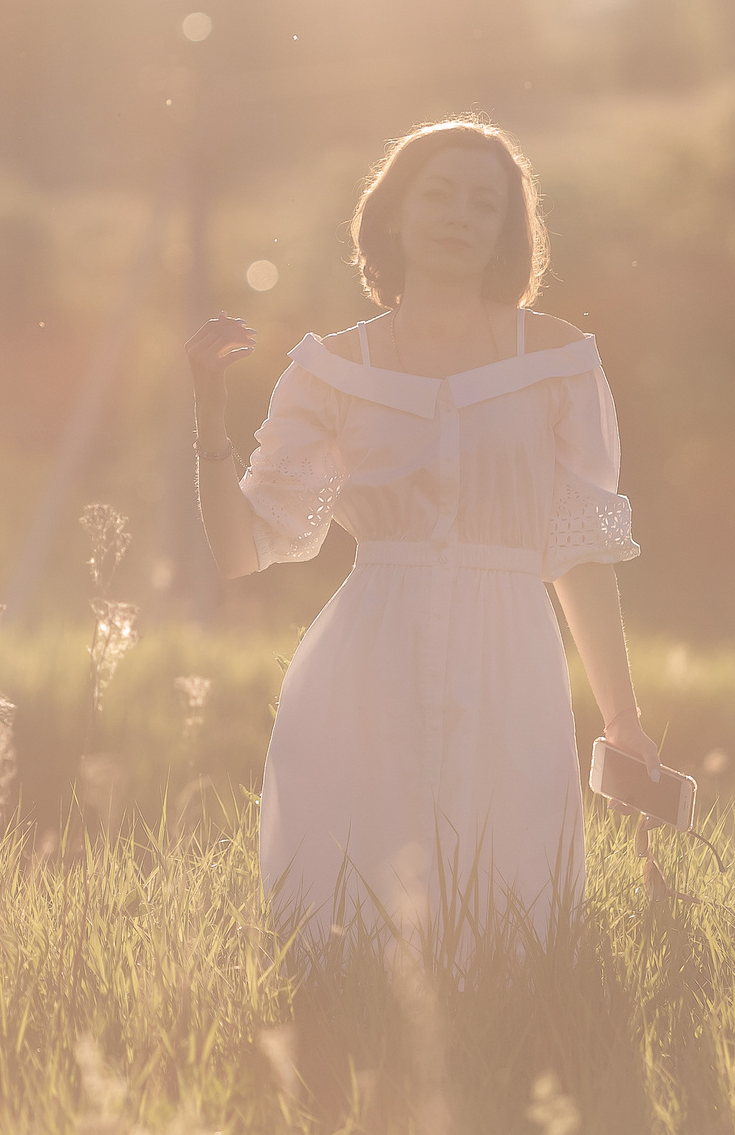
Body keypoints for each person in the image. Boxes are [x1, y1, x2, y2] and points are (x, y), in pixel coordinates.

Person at [184, 118, 658, 962]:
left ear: (508, 230)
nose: (459, 216)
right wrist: (210, 411)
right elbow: (242, 548)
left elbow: (580, 551)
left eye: (485, 203)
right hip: (365, 661)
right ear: (393, 215)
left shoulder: (557, 360)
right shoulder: (330, 367)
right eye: (438, 194)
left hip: (511, 653)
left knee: (511, 938)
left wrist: (622, 717)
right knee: (347, 942)